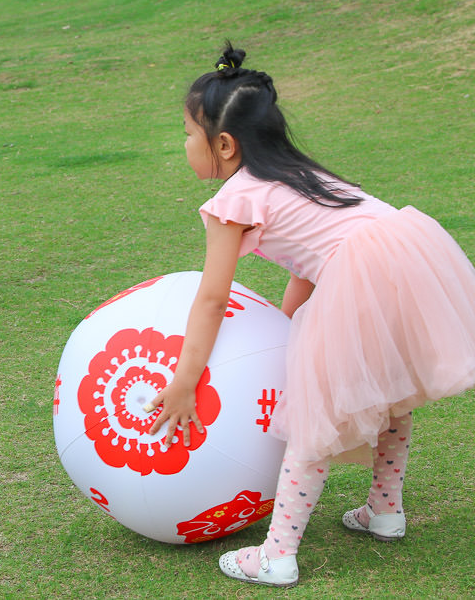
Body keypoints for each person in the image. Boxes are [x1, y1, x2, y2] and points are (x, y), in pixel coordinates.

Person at [144, 43, 475, 587]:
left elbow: (211, 298)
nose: (184, 145)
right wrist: (286, 327)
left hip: (360, 273)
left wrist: (184, 381)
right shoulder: (303, 175)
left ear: (223, 145)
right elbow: (307, 264)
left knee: (312, 417)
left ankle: (277, 554)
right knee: (385, 391)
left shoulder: (234, 200)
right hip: (405, 259)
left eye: (186, 132)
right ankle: (385, 510)